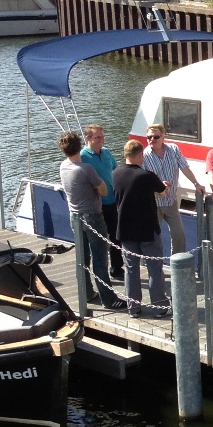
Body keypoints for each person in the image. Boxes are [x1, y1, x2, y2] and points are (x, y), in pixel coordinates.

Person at [58, 130, 125, 309]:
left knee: (83, 258)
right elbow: (103, 190)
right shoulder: (86, 168)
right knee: (100, 260)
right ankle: (109, 299)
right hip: (93, 217)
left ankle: (87, 293)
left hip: (75, 216)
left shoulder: (63, 166)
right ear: (80, 146)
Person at [113, 140, 170, 318]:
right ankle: (159, 308)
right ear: (140, 155)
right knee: (154, 269)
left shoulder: (116, 173)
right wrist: (164, 187)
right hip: (147, 230)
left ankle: (134, 308)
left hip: (126, 230)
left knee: (131, 270)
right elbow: (163, 192)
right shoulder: (147, 175)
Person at [142, 123, 202, 251]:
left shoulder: (173, 149)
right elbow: (142, 181)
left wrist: (196, 184)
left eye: (156, 137)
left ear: (163, 137)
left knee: (179, 235)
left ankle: (178, 265)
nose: (152, 140)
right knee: (152, 237)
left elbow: (184, 167)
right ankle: (153, 265)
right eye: (149, 137)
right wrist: (157, 186)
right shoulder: (144, 155)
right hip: (154, 203)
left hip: (171, 201)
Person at [81, 124, 123, 281]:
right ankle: (100, 273)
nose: (101, 140)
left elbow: (114, 168)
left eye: (103, 137)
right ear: (88, 138)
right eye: (98, 137)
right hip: (96, 205)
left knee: (116, 235)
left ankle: (116, 268)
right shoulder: (83, 156)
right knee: (99, 240)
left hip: (112, 201)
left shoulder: (106, 152)